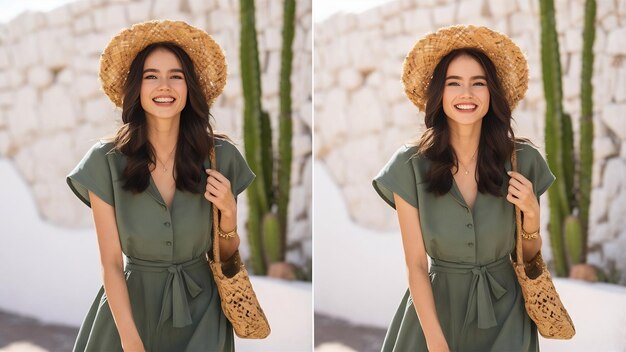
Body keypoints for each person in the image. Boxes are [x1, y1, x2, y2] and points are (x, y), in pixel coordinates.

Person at [67, 20, 254, 352]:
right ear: (137, 88)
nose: (164, 86)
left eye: (176, 76)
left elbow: (226, 256)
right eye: (151, 76)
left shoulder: (222, 157)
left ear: (189, 87)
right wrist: (131, 341)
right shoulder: (103, 161)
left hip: (204, 314)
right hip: (127, 315)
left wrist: (228, 212)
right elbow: (110, 262)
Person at [372, 25, 555, 351]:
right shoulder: (408, 165)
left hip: (508, 315)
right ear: (439, 94)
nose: (466, 94)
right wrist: (436, 343)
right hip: (434, 318)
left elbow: (528, 257)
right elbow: (416, 265)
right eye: (453, 83)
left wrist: (531, 217)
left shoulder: (524, 161)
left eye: (478, 83)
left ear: (492, 93)